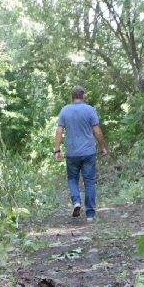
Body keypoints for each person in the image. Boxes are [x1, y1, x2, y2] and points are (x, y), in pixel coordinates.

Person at [54, 87, 107, 221]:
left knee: (72, 179)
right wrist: (103, 147)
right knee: (89, 181)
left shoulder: (65, 110)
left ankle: (76, 201)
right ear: (83, 96)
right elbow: (97, 131)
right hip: (88, 152)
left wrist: (57, 150)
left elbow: (59, 131)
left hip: (72, 153)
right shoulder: (90, 110)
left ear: (72, 97)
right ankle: (90, 214)